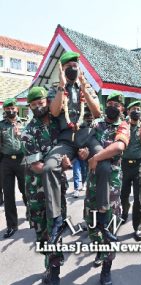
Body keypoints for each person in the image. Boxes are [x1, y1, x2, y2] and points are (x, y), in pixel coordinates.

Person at [21, 87, 87, 284]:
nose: (38, 107)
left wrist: (78, 155)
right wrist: (61, 167)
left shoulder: (59, 124)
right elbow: (36, 166)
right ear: (30, 107)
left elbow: (73, 143)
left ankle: (54, 270)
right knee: (42, 234)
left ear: (47, 102)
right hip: (37, 192)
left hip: (57, 189)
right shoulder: (28, 132)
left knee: (56, 228)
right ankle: (49, 261)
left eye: (41, 103)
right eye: (34, 105)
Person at [43, 51, 110, 243]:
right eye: (68, 67)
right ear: (62, 71)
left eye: (75, 66)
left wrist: (83, 88)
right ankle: (56, 218)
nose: (72, 69)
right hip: (65, 139)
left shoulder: (87, 87)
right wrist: (62, 87)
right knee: (49, 168)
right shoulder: (54, 89)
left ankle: (103, 215)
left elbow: (97, 112)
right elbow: (55, 111)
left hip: (87, 135)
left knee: (103, 163)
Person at [86, 91, 130, 285]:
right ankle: (99, 250)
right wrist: (83, 153)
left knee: (109, 225)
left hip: (111, 184)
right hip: (93, 182)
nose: (113, 107)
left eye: (117, 105)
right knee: (92, 222)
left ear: (121, 108)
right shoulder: (96, 125)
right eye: (110, 103)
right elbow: (85, 145)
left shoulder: (123, 126)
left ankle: (106, 268)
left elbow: (119, 147)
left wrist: (96, 157)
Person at [120, 100, 141, 241]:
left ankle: (138, 227)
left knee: (139, 198)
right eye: (134, 109)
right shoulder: (123, 126)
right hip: (125, 165)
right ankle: (125, 212)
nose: (136, 111)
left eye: (139, 109)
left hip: (139, 165)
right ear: (128, 112)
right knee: (124, 195)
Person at [0, 98, 27, 238]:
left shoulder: (24, 123)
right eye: (7, 108)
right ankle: (12, 225)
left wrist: (20, 135)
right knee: (9, 195)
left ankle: (31, 213)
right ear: (4, 110)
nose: (10, 110)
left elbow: (30, 143)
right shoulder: (1, 125)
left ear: (16, 108)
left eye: (12, 107)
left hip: (22, 160)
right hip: (6, 162)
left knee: (26, 190)